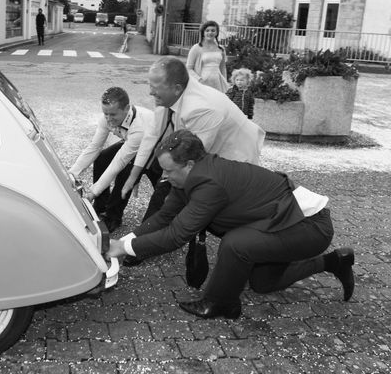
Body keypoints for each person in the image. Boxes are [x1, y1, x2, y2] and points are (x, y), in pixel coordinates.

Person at [108, 129, 355, 319]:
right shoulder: (187, 179)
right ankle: (334, 261)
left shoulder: (208, 184)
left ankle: (220, 303)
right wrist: (124, 241)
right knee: (263, 284)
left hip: (310, 226)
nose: (164, 176)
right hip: (283, 222)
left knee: (236, 244)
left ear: (190, 165)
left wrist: (123, 249)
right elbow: (163, 217)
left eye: (168, 170)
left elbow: (176, 235)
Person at [121, 56, 265, 223]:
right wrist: (133, 176)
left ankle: (145, 242)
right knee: (165, 181)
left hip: (236, 156)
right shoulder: (170, 95)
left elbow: (192, 161)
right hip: (205, 149)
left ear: (176, 88)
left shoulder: (200, 108)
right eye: (150, 85)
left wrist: (169, 193)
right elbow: (152, 135)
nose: (150, 92)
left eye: (155, 87)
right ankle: (149, 237)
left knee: (175, 194)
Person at [69, 87, 156, 232]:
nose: (108, 119)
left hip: (154, 148)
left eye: (113, 114)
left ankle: (113, 216)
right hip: (131, 141)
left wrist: (93, 191)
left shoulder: (139, 126)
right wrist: (71, 174)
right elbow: (94, 147)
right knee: (102, 158)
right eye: (105, 113)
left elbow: (118, 163)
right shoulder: (107, 118)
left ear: (127, 108)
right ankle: (100, 205)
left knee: (125, 172)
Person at [186, 20, 228, 92]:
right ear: (203, 33)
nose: (210, 33)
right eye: (207, 30)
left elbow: (223, 67)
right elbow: (189, 68)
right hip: (202, 83)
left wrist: (225, 82)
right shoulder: (196, 48)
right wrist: (199, 79)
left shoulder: (221, 48)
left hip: (217, 83)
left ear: (217, 32)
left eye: (213, 30)